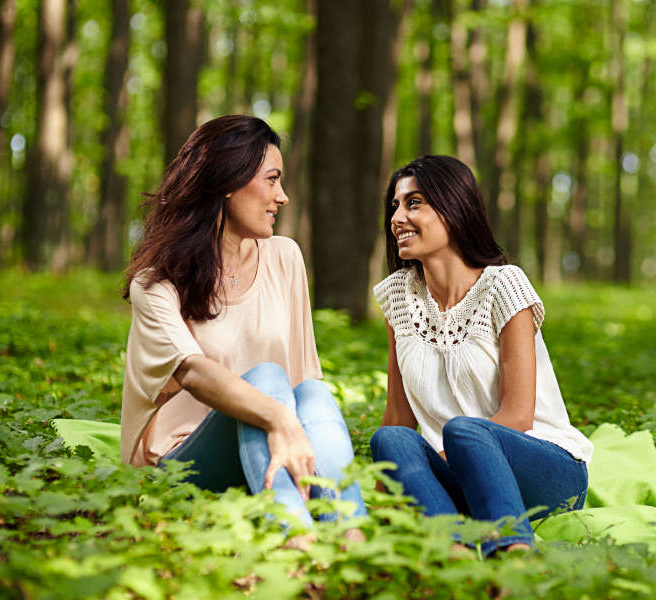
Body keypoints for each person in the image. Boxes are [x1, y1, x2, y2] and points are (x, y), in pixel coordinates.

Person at [120, 115, 366, 530]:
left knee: (313, 394)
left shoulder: (285, 258)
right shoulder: (156, 283)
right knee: (267, 378)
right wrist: (277, 416)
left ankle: (352, 535)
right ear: (228, 182)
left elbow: (305, 377)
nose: (282, 196)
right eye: (272, 180)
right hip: (181, 463)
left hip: (271, 441)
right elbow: (193, 373)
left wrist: (288, 420)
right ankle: (297, 537)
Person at [370, 155, 593, 556]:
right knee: (390, 438)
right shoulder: (398, 298)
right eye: (395, 206)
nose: (398, 217)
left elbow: (518, 416)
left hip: (542, 467)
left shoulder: (503, 285)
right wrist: (385, 501)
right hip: (461, 475)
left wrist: (445, 454)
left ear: (454, 208)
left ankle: (513, 556)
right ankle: (454, 551)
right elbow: (398, 417)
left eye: (414, 203)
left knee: (463, 431)